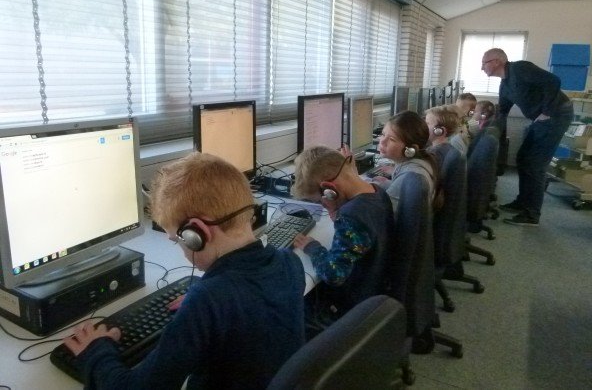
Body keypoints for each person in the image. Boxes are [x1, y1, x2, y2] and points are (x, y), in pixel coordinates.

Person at [62, 152, 306, 390]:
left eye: (176, 240)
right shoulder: (289, 263)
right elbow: (249, 307)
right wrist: (208, 301)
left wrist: (96, 351)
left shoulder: (207, 301)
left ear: (196, 234)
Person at [291, 146, 394, 339]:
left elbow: (334, 274)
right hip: (374, 288)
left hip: (352, 305)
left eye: (319, 200)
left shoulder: (352, 216)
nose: (322, 204)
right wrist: (335, 212)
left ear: (329, 189)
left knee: (291, 304)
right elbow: (360, 239)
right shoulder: (378, 192)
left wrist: (312, 248)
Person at [481, 47, 573, 226]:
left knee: (535, 163)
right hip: (543, 119)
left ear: (497, 61)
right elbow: (502, 111)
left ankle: (531, 214)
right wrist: (486, 127)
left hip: (556, 115)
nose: (482, 67)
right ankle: (523, 202)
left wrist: (547, 111)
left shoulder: (520, 69)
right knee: (523, 158)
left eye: (484, 63)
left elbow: (553, 81)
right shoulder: (505, 84)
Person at [375, 110, 440, 212]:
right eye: (383, 134)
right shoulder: (421, 162)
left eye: (392, 139)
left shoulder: (411, 176)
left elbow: (378, 214)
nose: (382, 141)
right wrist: (384, 184)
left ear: (410, 149)